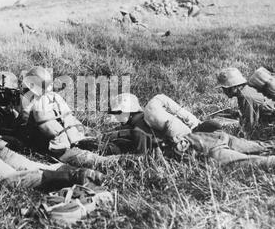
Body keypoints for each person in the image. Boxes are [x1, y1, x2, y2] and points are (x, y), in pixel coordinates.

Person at [106, 93, 275, 168]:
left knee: (261, 162)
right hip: (213, 136)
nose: (115, 118)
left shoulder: (138, 130)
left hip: (202, 150)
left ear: (125, 112)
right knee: (263, 145)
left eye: (116, 114)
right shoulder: (153, 116)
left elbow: (145, 162)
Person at [19, 66, 114, 169]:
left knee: (100, 161)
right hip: (73, 138)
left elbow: (24, 130)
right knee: (103, 157)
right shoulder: (54, 97)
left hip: (58, 148)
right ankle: (118, 158)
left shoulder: (30, 104)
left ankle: (115, 160)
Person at [217, 67, 275, 132]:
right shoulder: (245, 90)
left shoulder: (245, 96)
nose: (223, 91)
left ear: (232, 87)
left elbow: (250, 126)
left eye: (224, 88)